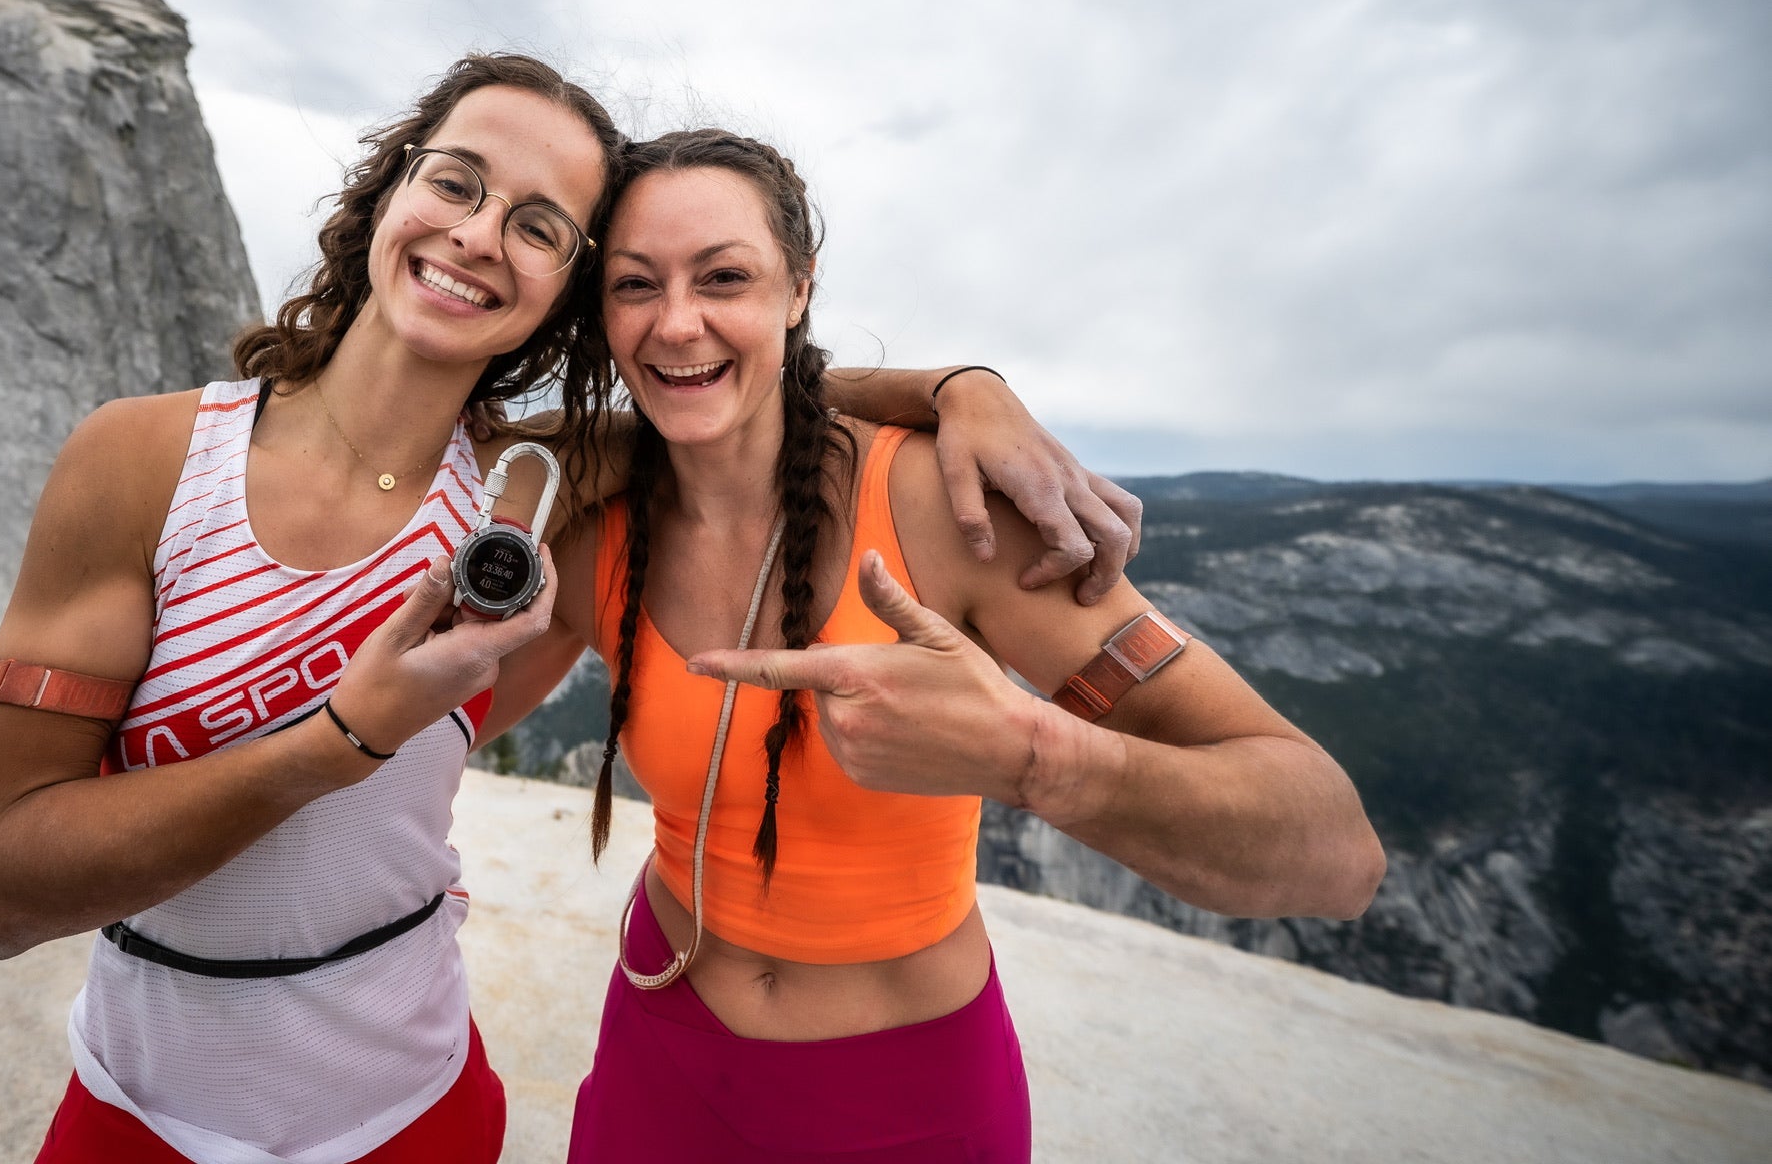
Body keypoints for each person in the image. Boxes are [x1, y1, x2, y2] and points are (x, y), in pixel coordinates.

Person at [0, 55, 1141, 1164]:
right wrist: (337, 742)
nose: (476, 237)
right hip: (134, 1100)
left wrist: (961, 388)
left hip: (416, 1108)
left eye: (537, 227)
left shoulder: (539, 492)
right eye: (454, 183)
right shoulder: (147, 460)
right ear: (387, 193)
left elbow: (743, 389)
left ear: (566, 297)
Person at [498, 129, 1385, 1163]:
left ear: (798, 289)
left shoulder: (945, 509)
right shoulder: (596, 522)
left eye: (725, 277)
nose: (676, 321)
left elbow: (1338, 854)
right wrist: (949, 379)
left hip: (904, 1100)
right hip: (660, 1046)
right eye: (635, 285)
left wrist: (1034, 757)